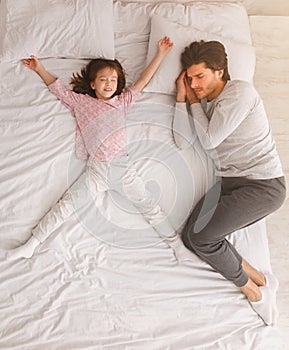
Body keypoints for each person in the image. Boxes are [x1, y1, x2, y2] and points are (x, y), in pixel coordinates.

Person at [7, 36, 191, 261]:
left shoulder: (122, 102)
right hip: (96, 171)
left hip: (123, 168)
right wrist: (39, 68)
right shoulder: (82, 102)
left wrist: (160, 54)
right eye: (103, 79)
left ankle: (176, 245)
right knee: (66, 205)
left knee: (149, 206)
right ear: (93, 84)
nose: (109, 83)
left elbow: (143, 80)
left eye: (113, 80)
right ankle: (33, 244)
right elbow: (58, 88)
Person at [174, 40, 286, 326]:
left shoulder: (240, 93)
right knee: (190, 237)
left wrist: (193, 102)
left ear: (220, 72)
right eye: (189, 78)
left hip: (263, 186)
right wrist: (181, 99)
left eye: (200, 76)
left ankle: (253, 293)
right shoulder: (208, 103)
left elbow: (209, 141)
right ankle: (260, 279)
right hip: (231, 181)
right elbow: (187, 139)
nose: (194, 83)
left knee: (202, 238)